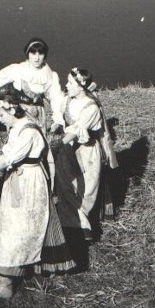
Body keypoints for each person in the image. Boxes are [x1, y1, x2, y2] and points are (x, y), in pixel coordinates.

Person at [0, 93, 75, 301]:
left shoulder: (27, 132)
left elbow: (5, 161)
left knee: (17, 229)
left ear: (12, 110)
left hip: (28, 182)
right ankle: (17, 272)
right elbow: (6, 157)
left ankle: (6, 284)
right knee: (17, 225)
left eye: (1, 114)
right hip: (20, 178)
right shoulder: (19, 127)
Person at [53, 68, 117, 248]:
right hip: (69, 150)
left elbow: (75, 131)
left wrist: (56, 146)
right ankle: (73, 228)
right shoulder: (68, 100)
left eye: (71, 83)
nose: (66, 86)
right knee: (67, 187)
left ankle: (81, 228)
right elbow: (62, 120)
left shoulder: (92, 107)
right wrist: (54, 126)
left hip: (87, 152)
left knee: (85, 190)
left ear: (81, 87)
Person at [0, 37, 64, 132]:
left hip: (39, 114)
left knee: (38, 140)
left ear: (45, 55)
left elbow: (56, 98)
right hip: (20, 112)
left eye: (40, 53)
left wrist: (58, 119)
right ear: (28, 54)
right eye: (33, 53)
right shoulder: (18, 70)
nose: (37, 58)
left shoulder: (50, 75)